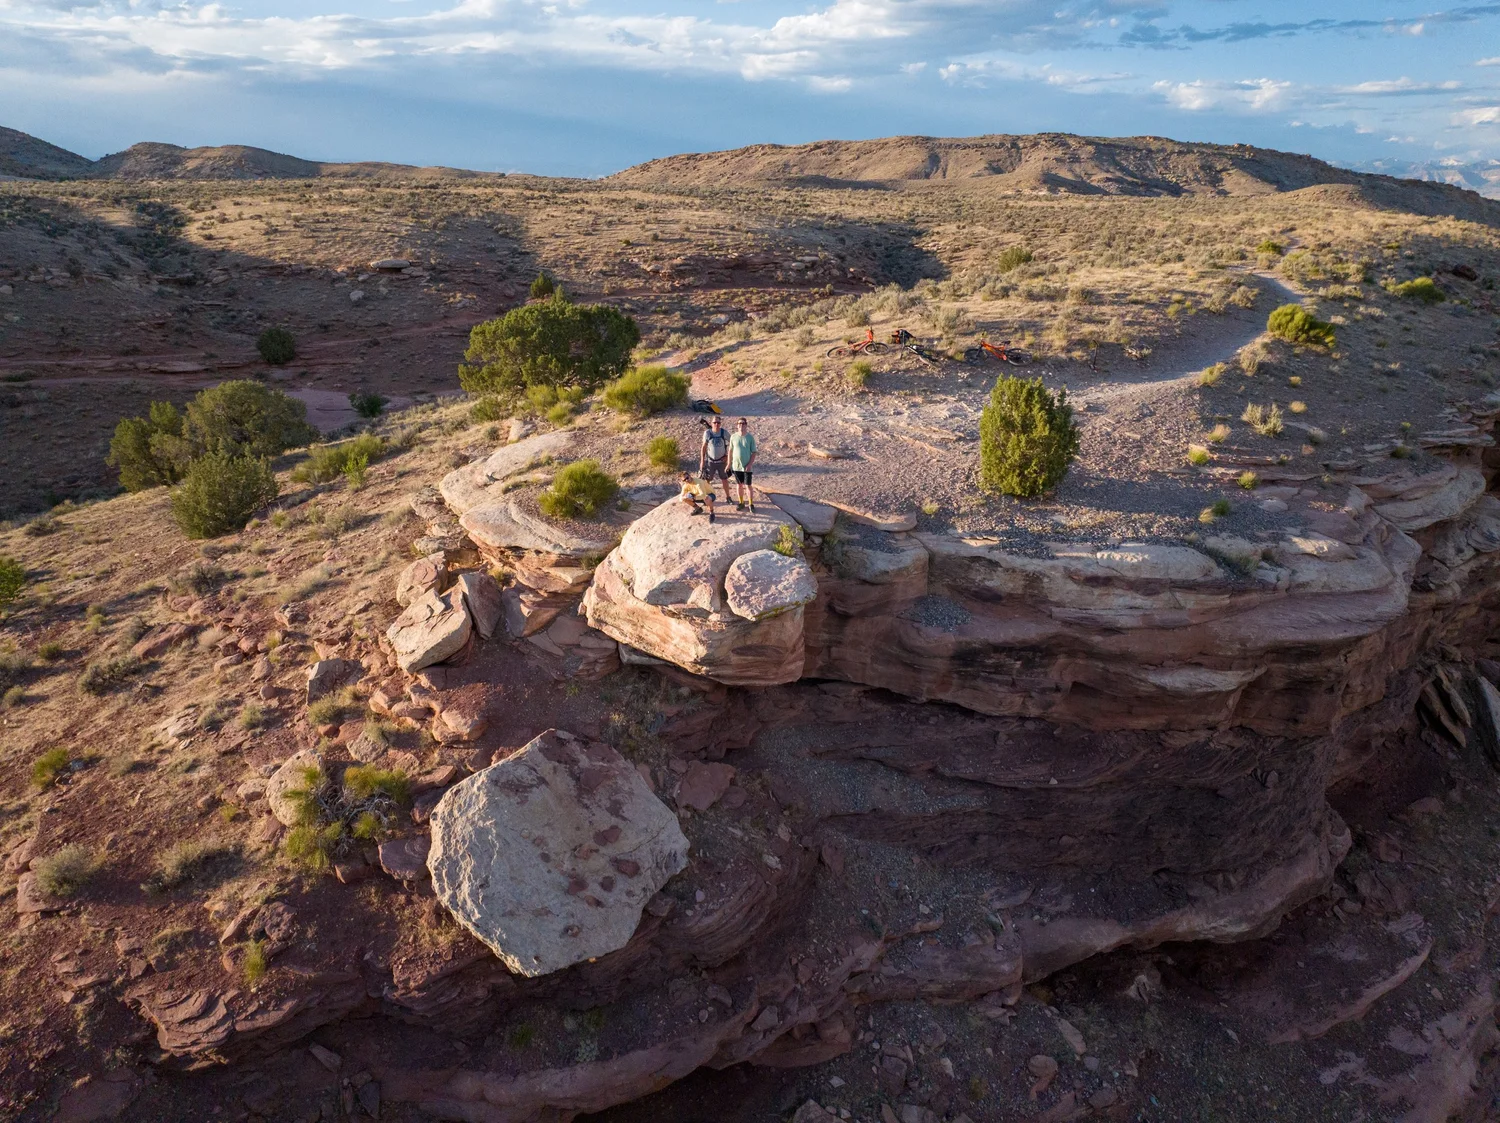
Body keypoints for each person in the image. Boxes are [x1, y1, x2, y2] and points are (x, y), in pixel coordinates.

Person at [698, 416, 732, 506]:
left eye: (718, 423)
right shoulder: (707, 433)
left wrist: (728, 456)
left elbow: (733, 444)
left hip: (722, 462)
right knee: (707, 480)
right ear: (711, 423)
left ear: (720, 424)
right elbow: (704, 447)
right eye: (714, 422)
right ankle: (707, 498)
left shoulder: (724, 433)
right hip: (710, 461)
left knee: (724, 479)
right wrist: (702, 460)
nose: (716, 424)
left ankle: (728, 497)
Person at [729, 416, 757, 512]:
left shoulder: (750, 438)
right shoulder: (733, 437)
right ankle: (741, 502)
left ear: (746, 425)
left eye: (743, 423)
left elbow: (754, 452)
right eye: (739, 423)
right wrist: (729, 463)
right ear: (737, 425)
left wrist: (749, 465)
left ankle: (750, 503)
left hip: (746, 467)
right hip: (736, 466)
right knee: (739, 484)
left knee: (748, 485)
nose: (741, 425)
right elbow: (730, 451)